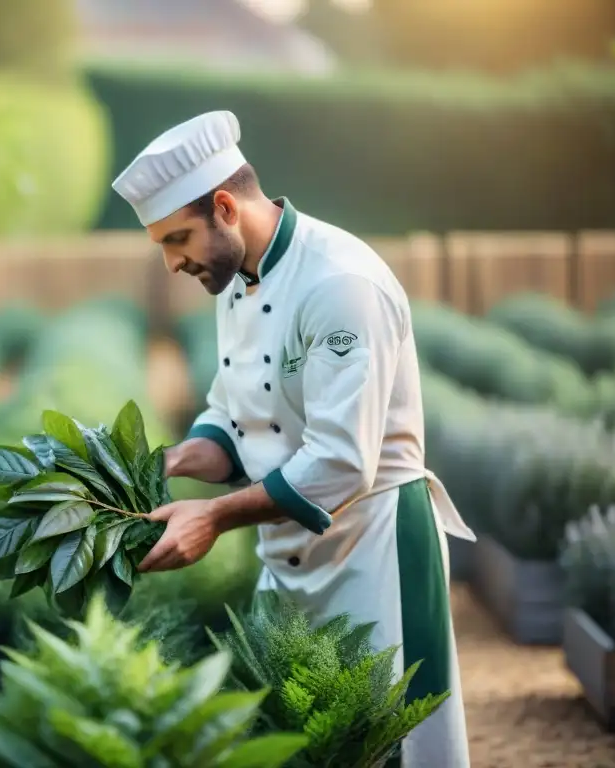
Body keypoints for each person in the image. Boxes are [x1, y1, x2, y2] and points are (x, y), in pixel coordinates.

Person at [110, 110, 474, 767]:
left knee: (393, 743)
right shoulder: (232, 281)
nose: (170, 263)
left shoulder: (340, 283)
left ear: (225, 206)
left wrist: (212, 519)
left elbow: (341, 461)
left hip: (374, 550)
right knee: (295, 742)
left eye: (176, 239)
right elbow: (230, 416)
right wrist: (163, 464)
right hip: (287, 553)